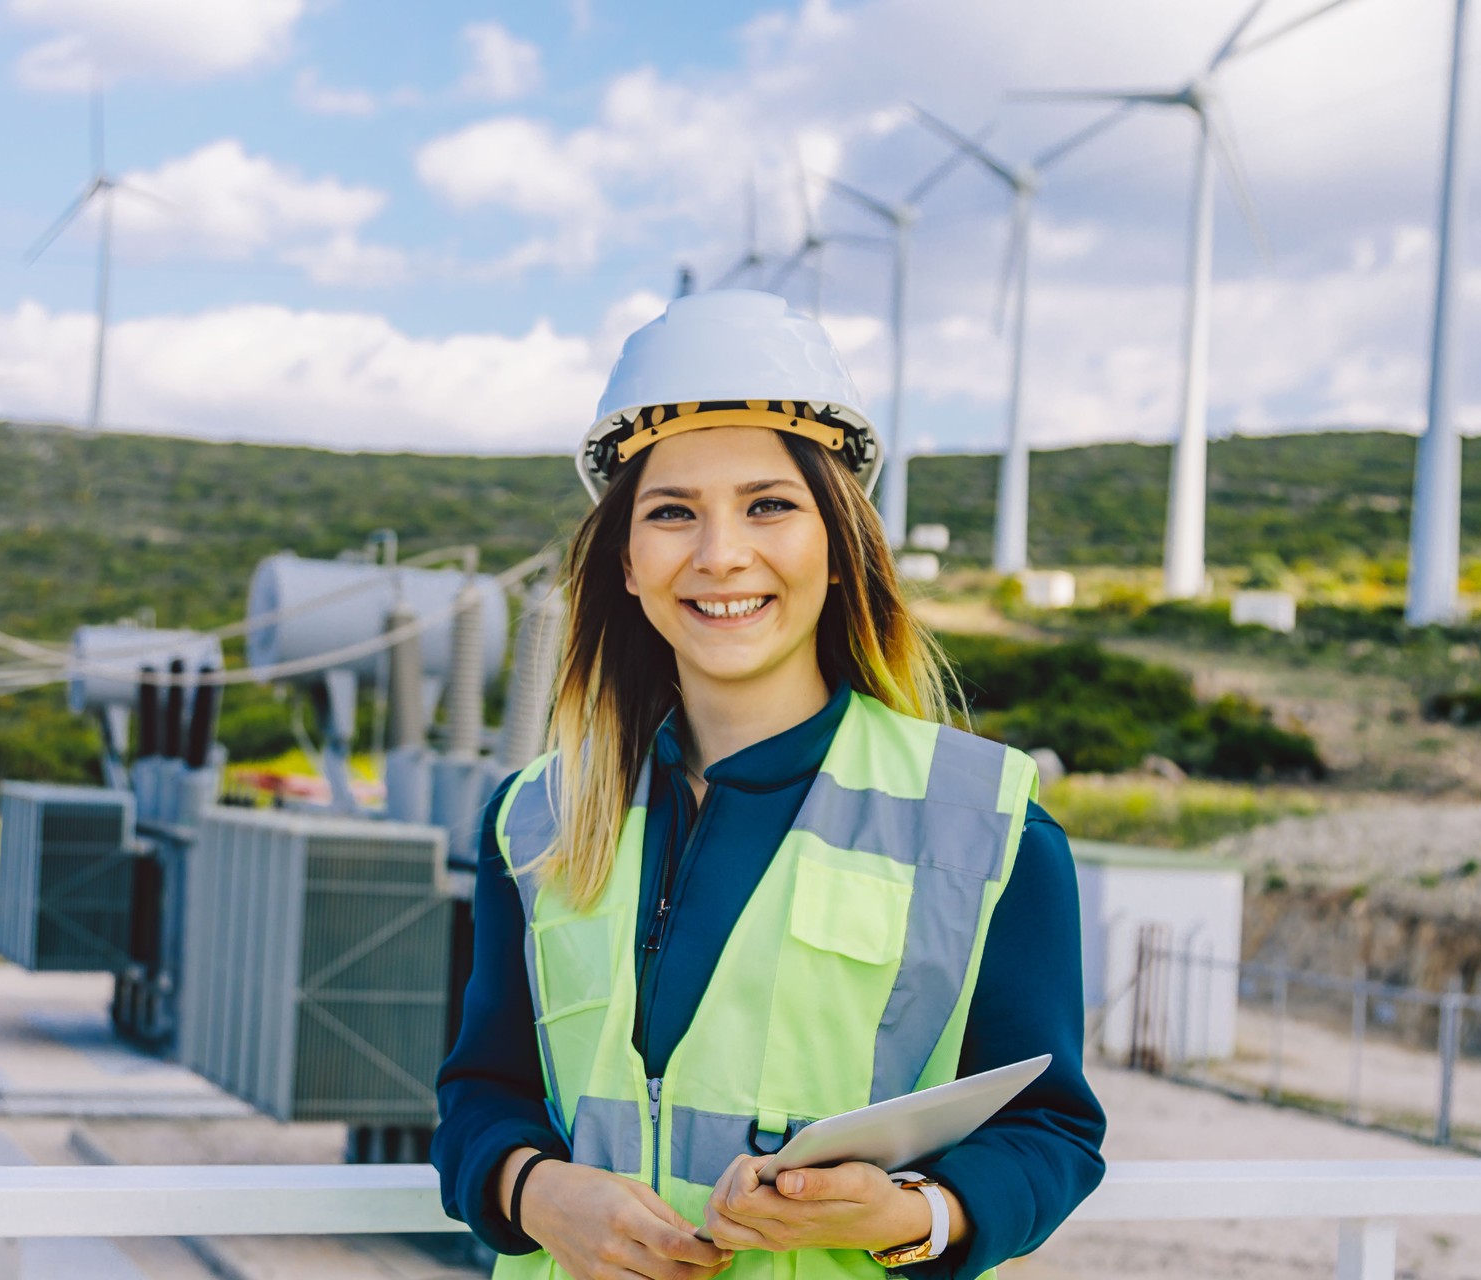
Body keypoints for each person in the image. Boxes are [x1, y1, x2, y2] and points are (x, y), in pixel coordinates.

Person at [433, 289, 1104, 1279]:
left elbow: (1051, 1130)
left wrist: (909, 1211)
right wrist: (536, 1190)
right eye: (672, 513)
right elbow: (481, 1095)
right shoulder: (534, 816)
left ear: (837, 544)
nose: (720, 554)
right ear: (625, 559)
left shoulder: (987, 826)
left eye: (769, 504)